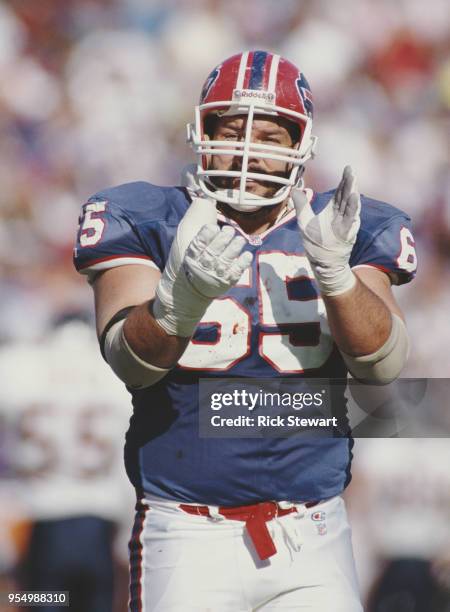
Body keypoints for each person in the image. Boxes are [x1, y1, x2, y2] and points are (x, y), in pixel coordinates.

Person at [74, 50, 417, 611]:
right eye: (231, 129)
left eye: (271, 135)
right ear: (201, 133)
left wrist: (336, 277)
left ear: (301, 146)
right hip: (186, 531)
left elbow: (383, 363)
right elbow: (130, 362)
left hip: (314, 532)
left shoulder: (344, 223)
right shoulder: (148, 215)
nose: (248, 147)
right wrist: (178, 300)